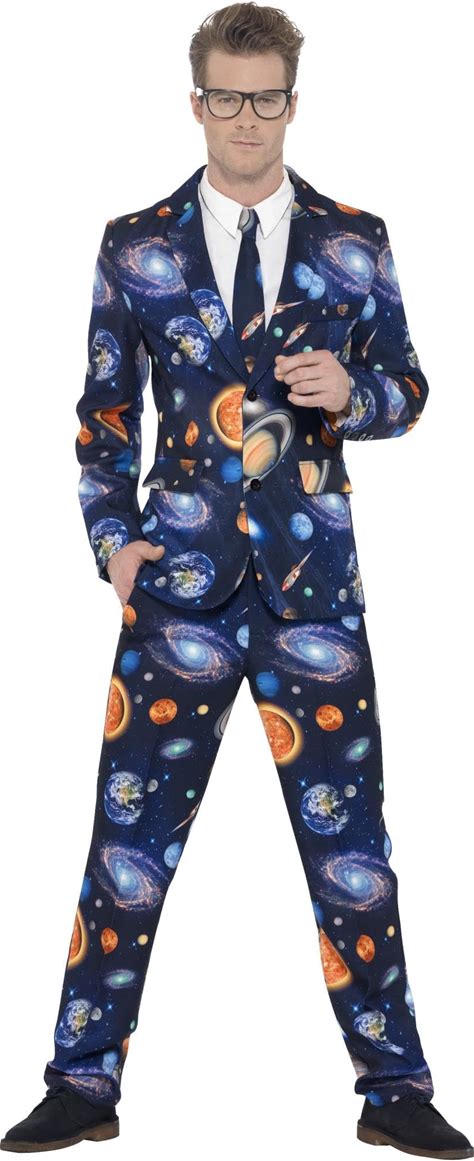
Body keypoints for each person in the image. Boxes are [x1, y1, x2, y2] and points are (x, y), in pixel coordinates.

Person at [2, 3, 472, 1156]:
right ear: (197, 102)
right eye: (227, 96)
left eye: (265, 97)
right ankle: (83, 1084)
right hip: (175, 596)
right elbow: (102, 418)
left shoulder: (355, 238)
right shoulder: (135, 244)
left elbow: (409, 389)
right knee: (125, 849)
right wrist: (113, 545)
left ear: (292, 104)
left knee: (354, 857)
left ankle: (395, 1091)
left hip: (316, 595)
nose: (246, 118)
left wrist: (354, 396)